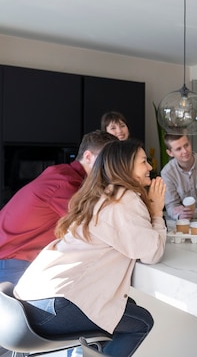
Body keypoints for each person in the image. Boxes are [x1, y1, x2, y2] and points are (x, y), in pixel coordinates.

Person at [14, 139, 167, 357]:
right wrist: (157, 212)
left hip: (31, 298)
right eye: (144, 162)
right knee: (142, 322)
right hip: (57, 304)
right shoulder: (123, 198)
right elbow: (152, 253)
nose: (150, 167)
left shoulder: (97, 195)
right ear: (125, 165)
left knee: (124, 308)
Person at [0, 130, 118, 285]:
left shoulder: (66, 175)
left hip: (17, 258)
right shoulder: (66, 184)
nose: (115, 166)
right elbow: (94, 229)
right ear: (88, 157)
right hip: (13, 261)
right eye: (110, 159)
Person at [160, 134, 197, 221]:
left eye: (186, 145)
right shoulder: (167, 173)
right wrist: (180, 215)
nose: (185, 151)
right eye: (178, 149)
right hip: (187, 221)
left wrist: (195, 213)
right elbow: (171, 204)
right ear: (170, 153)